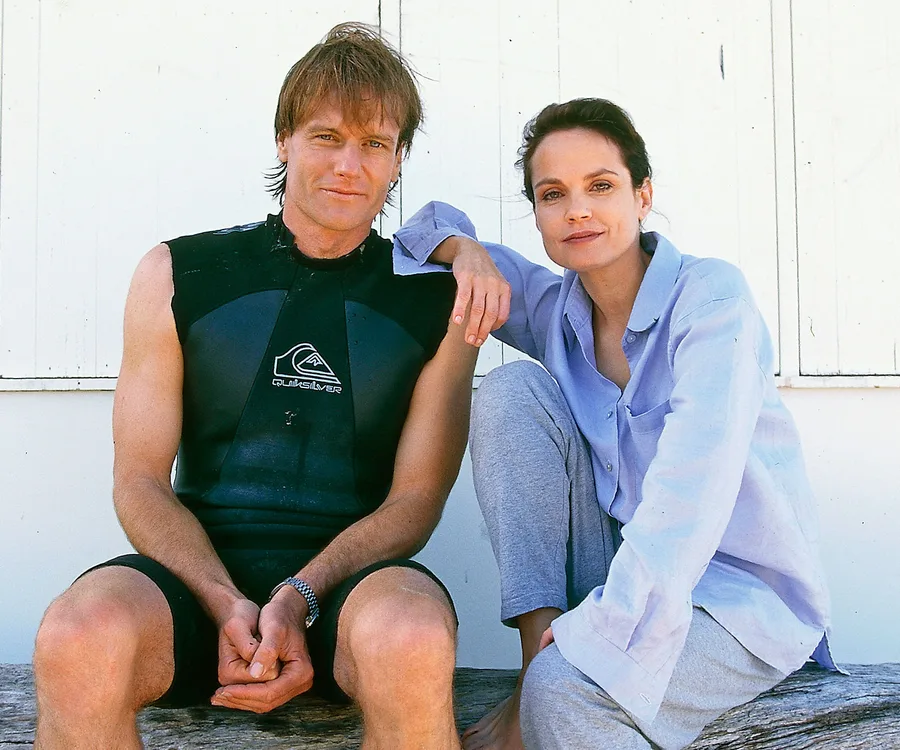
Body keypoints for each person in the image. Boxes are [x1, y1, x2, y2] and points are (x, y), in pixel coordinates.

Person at [32, 23, 490, 750]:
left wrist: (298, 596)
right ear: (284, 140)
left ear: (399, 157)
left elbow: (414, 502)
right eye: (326, 137)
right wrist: (225, 603)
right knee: (76, 636)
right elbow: (139, 481)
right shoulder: (177, 274)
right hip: (192, 588)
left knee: (411, 640)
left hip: (353, 592)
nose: (349, 165)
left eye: (374, 144)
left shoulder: (441, 304)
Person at [394, 97, 838, 750]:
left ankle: (543, 688)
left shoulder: (712, 301)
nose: (577, 210)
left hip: (738, 602)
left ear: (643, 195)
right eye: (553, 194)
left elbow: (691, 494)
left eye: (600, 185)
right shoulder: (553, 310)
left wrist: (595, 640)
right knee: (510, 390)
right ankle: (533, 667)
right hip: (619, 577)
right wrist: (469, 252)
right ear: (537, 214)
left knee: (564, 694)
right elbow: (417, 234)